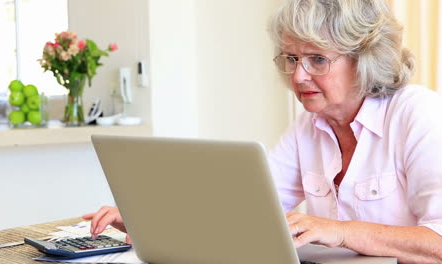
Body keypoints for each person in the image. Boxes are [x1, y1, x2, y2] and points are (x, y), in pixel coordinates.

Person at [84, 0, 442, 263]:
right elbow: (241, 211)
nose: (298, 75)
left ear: (366, 60)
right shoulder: (309, 125)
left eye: (317, 59)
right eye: (291, 58)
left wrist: (341, 231)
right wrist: (149, 217)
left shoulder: (418, 114)